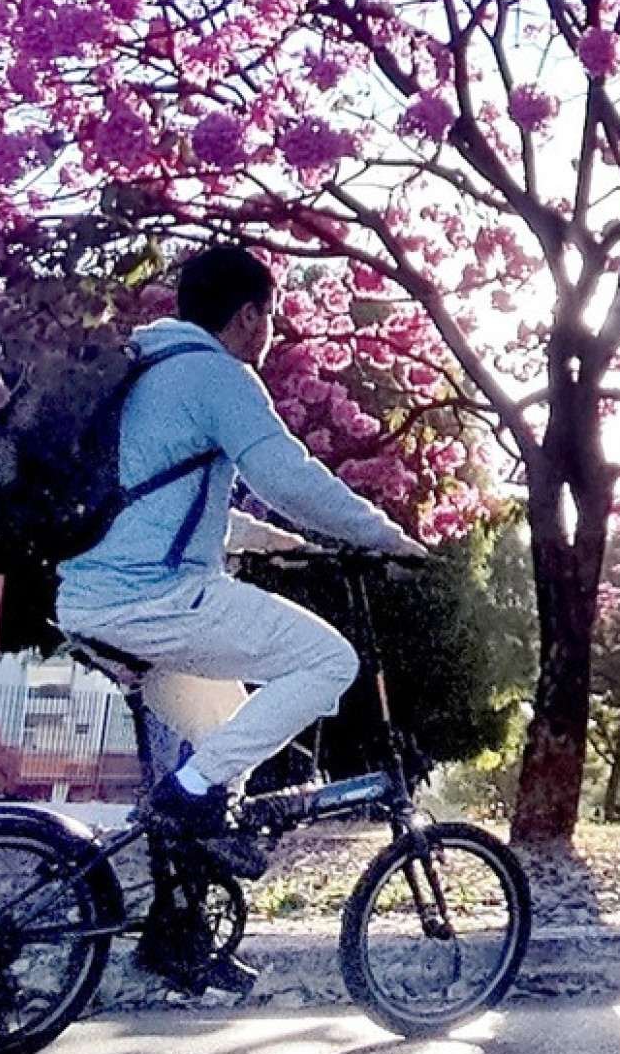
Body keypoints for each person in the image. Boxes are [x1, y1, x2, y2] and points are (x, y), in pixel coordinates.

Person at [57, 245, 428, 884]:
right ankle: (189, 796)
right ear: (251, 315)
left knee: (230, 746)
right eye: (271, 317)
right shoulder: (217, 375)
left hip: (91, 597)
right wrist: (386, 536)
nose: (271, 332)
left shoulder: (147, 360)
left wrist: (269, 541)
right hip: (157, 599)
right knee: (329, 662)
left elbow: (158, 500)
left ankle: (181, 930)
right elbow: (288, 478)